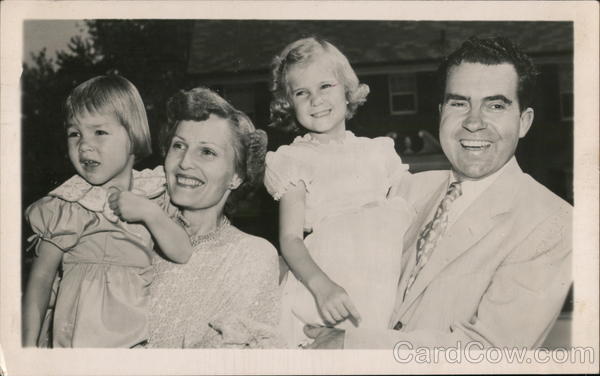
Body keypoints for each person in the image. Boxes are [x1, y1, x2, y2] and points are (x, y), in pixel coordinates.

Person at [305, 36, 573, 349]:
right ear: (441, 112)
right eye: (459, 103)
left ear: (524, 122)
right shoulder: (407, 189)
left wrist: (350, 344)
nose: (474, 122)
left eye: (496, 105)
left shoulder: (552, 222)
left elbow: (491, 352)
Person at [22, 75, 192, 348]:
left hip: (139, 338)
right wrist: (28, 347)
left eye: (99, 132)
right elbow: (40, 281)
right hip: (78, 341)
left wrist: (150, 213)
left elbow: (182, 252)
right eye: (74, 133)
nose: (84, 145)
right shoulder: (69, 203)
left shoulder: (154, 194)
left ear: (133, 135)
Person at [265, 37, 414, 347]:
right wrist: (322, 286)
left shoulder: (378, 151)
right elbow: (290, 238)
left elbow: (406, 204)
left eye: (325, 86)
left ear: (347, 91)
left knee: (372, 346)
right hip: (328, 276)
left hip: (380, 274)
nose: (315, 100)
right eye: (301, 92)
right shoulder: (294, 159)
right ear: (289, 103)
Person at [139, 87, 282, 348]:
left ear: (237, 175)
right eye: (178, 145)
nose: (184, 162)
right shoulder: (133, 234)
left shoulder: (251, 255)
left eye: (207, 152)